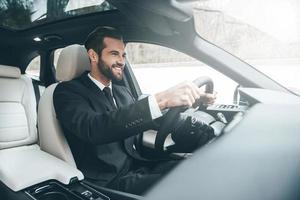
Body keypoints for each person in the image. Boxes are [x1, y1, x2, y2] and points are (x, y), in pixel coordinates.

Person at [53, 26, 216, 195]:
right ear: (93, 56)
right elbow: (94, 128)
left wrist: (185, 104)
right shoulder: (67, 92)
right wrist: (161, 99)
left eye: (123, 55)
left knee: (198, 169)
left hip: (139, 164)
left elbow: (145, 120)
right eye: (114, 54)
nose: (122, 61)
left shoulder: (121, 91)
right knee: (189, 184)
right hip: (108, 181)